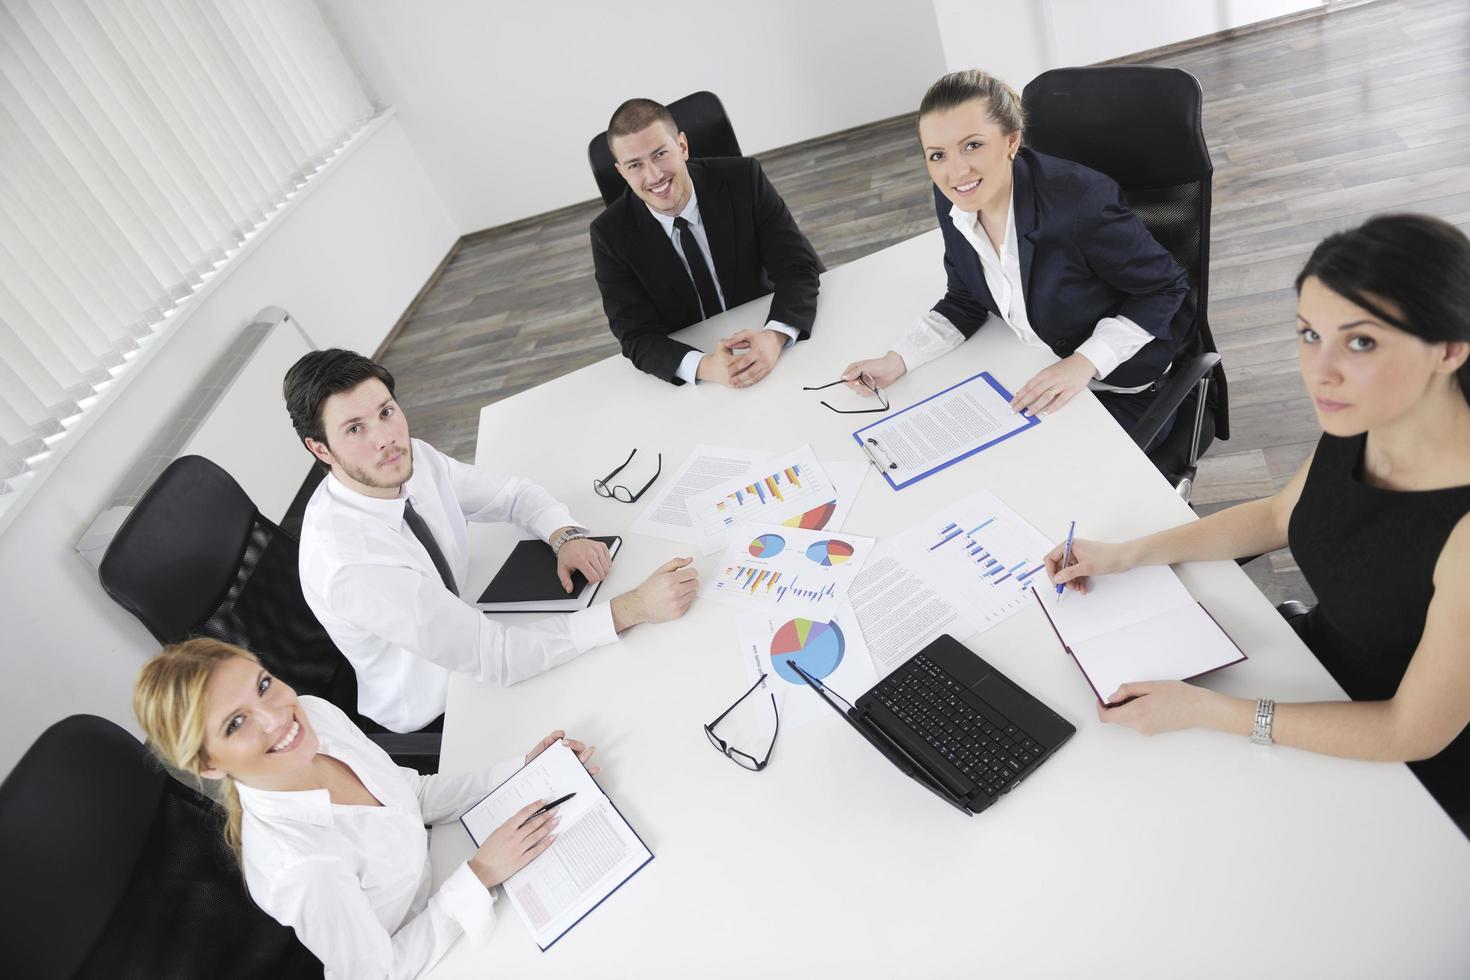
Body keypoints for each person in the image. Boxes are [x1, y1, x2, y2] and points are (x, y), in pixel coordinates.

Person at [1045, 214, 1470, 833]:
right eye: (1308, 334)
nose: (1319, 371)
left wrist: (1211, 711)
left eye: (1361, 342)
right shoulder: (1368, 418)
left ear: (1450, 350)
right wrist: (1126, 554)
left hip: (1400, 766)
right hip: (1316, 676)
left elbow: (1411, 730)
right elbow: (1280, 515)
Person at [284, 349, 698, 734]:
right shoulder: (353, 566)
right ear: (320, 449)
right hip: (449, 706)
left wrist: (563, 535)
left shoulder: (411, 459)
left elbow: (512, 495)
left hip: (477, 629)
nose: (384, 438)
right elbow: (498, 658)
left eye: (386, 412)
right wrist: (633, 608)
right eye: (355, 428)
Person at [133, 639, 588, 978]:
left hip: (448, 876)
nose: (277, 716)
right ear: (209, 765)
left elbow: (411, 794)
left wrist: (520, 771)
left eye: (264, 685)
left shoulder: (314, 715)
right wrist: (480, 874)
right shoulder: (302, 866)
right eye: (236, 723)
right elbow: (378, 974)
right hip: (433, 955)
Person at [842, 70, 1190, 439]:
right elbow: (964, 299)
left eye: (972, 145)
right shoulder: (955, 200)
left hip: (1121, 390)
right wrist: (897, 360)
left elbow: (1165, 288)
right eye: (937, 155)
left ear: (1011, 141)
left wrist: (1083, 362)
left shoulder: (1080, 202)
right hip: (1039, 370)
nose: (956, 171)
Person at [590, 98, 823, 389]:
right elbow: (636, 335)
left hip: (768, 332)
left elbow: (797, 267)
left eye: (660, 154)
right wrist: (705, 366)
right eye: (635, 165)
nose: (654, 175)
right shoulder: (608, 234)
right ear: (621, 172)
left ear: (683, 147)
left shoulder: (745, 179)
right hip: (703, 372)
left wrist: (774, 337)